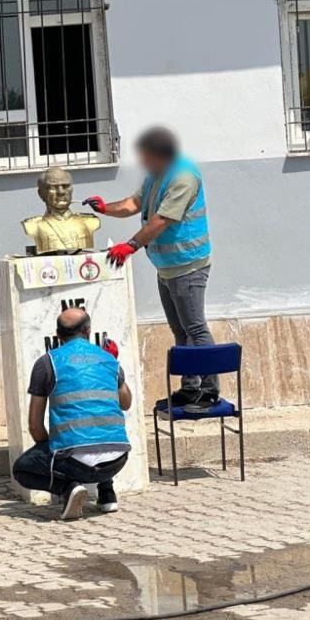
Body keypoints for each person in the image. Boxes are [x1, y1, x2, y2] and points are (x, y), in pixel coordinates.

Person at [85, 126, 218, 411]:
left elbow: (161, 220)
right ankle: (190, 388)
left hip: (188, 264)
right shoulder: (157, 175)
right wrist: (105, 208)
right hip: (167, 266)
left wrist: (130, 246)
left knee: (195, 327)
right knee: (180, 330)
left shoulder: (183, 177)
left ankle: (209, 390)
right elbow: (135, 203)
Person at [12, 307, 132, 521]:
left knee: (22, 469)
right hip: (119, 458)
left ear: (58, 336)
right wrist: (116, 369)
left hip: (74, 462)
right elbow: (126, 402)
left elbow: (35, 426)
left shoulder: (47, 363)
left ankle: (68, 488)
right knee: (101, 430)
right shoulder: (108, 359)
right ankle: (107, 493)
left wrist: (49, 451)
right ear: (88, 332)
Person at [22, 166, 100, 254]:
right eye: (53, 187)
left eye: (65, 186)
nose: (61, 192)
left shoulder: (89, 221)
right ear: (41, 194)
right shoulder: (33, 225)